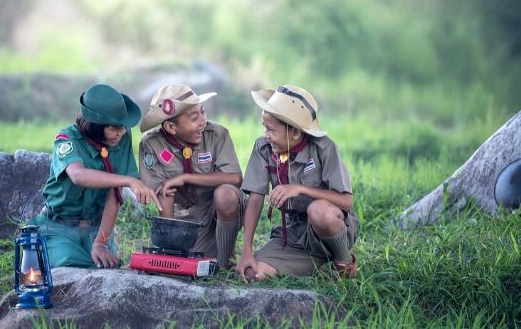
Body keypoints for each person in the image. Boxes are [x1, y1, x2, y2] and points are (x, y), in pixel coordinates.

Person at [27, 83, 161, 269]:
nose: (121, 132)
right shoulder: (67, 139)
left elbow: (115, 196)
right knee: (70, 266)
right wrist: (129, 180)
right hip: (59, 228)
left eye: (123, 127)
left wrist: (101, 243)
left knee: (108, 269)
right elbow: (78, 175)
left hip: (96, 230)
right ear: (96, 125)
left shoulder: (121, 138)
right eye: (114, 127)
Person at [236, 85, 358, 282]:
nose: (266, 134)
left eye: (271, 130)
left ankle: (342, 261)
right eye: (264, 128)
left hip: (329, 227)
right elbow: (256, 197)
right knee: (252, 274)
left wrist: (300, 189)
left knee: (319, 211)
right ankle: (315, 264)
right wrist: (247, 252)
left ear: (295, 132)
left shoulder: (323, 148)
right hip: (294, 235)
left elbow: (346, 201)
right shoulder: (263, 148)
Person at [137, 84, 244, 268]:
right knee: (185, 259)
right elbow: (161, 192)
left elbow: (234, 177)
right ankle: (176, 250)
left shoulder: (217, 135)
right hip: (185, 219)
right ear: (170, 127)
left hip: (215, 210)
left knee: (226, 195)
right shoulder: (152, 144)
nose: (203, 121)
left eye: (203, 113)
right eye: (194, 117)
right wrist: (168, 249)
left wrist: (186, 178)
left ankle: (227, 260)